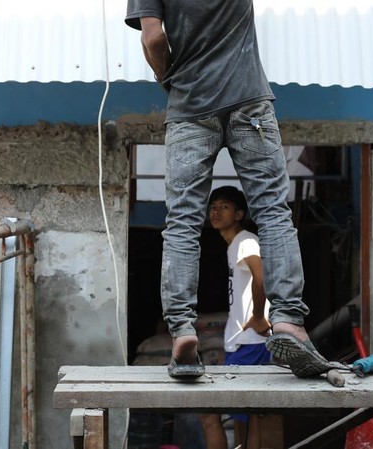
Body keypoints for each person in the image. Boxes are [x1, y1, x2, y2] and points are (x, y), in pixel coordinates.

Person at [125, 0, 332, 379]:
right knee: (272, 213)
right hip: (248, 100)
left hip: (190, 105)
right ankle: (287, 320)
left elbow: (153, 38)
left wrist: (169, 79)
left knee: (183, 223)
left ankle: (183, 332)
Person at [199, 186, 278, 449]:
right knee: (247, 416)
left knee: (213, 413)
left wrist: (258, 315)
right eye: (213, 207)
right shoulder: (235, 245)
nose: (216, 212)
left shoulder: (246, 241)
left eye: (224, 207)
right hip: (240, 343)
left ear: (239, 214)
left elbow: (261, 275)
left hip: (251, 341)